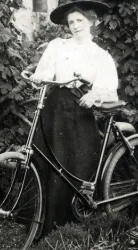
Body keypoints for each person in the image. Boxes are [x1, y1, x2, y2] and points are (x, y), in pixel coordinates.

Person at [30, 0, 119, 236]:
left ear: (91, 22)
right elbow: (46, 71)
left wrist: (94, 95)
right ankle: (42, 224)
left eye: (80, 20)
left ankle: (70, 226)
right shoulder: (57, 46)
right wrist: (40, 77)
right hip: (55, 107)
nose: (75, 26)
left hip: (79, 111)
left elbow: (109, 87)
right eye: (71, 22)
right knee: (48, 159)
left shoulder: (100, 55)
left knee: (72, 164)